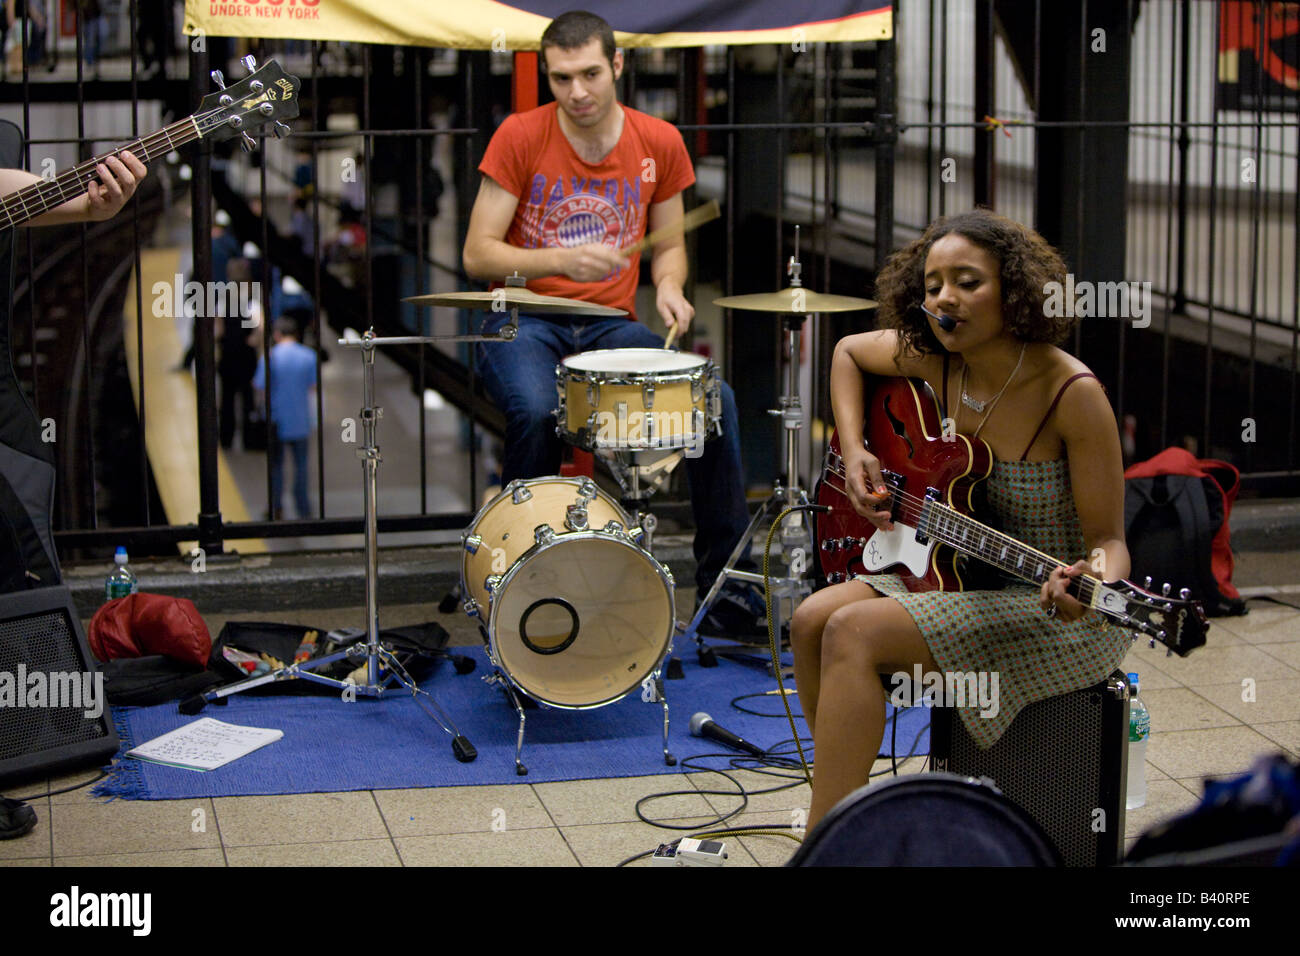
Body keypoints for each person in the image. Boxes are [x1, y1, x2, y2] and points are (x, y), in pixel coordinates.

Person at [791, 208, 1133, 832]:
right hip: (958, 572)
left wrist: (1089, 581)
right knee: (809, 619)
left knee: (850, 632)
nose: (944, 298)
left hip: (1047, 606)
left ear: (1016, 291)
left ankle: (827, 844)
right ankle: (851, 809)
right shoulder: (937, 359)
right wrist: (857, 448)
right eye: (931, 286)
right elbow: (846, 352)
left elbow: (1110, 542)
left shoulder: (1073, 394)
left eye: (967, 282)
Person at [461, 10, 761, 633]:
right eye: (562, 77)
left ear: (618, 65)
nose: (577, 92)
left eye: (591, 73)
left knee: (717, 402)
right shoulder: (520, 136)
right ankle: (522, 580)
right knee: (536, 411)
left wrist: (672, 287)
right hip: (525, 316)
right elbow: (477, 253)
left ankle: (724, 593)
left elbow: (671, 242)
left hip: (608, 323)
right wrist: (561, 258)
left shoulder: (658, 142)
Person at [253, 318, 318, 519]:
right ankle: (303, 507)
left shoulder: (270, 357)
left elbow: (259, 387)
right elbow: (312, 386)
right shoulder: (309, 356)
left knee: (276, 466)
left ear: (277, 335)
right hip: (300, 419)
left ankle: (276, 507)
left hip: (277, 419)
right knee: (301, 466)